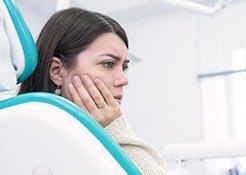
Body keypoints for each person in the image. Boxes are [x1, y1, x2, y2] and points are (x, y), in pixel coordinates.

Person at [19, 8, 167, 175]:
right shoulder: (24, 138)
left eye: (124, 67)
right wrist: (115, 128)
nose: (124, 80)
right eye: (108, 64)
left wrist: (115, 130)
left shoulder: (92, 141)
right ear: (57, 71)